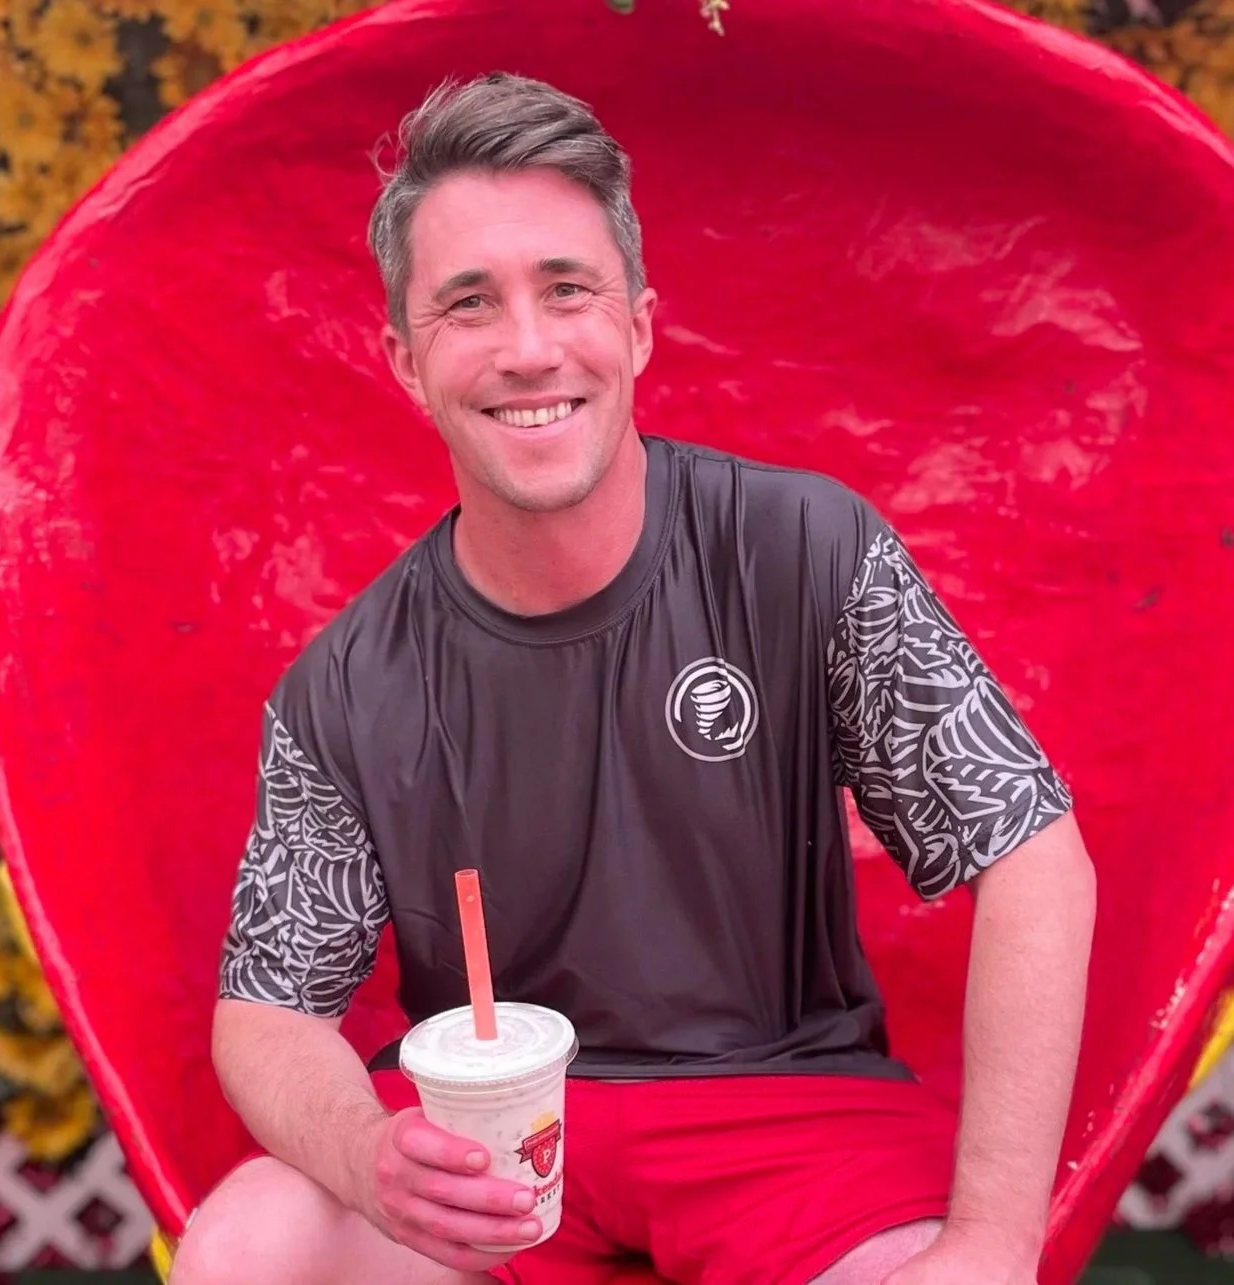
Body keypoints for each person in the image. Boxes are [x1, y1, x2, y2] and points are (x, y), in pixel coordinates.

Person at [171, 73, 1097, 1285]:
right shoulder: (345, 685)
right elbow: (267, 1007)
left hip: (789, 1113)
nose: (528, 347)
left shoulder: (803, 549)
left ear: (642, 324)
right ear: (405, 358)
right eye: (469, 304)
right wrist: (364, 1155)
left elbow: (1036, 859)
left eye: (567, 290)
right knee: (252, 1242)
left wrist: (989, 1243)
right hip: (497, 1139)